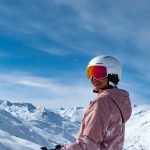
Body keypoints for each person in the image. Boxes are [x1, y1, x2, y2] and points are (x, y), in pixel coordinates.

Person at [60, 55, 132, 150]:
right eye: (90, 73)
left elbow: (87, 146)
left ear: (113, 74)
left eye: (99, 73)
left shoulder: (102, 102)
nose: (93, 78)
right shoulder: (118, 101)